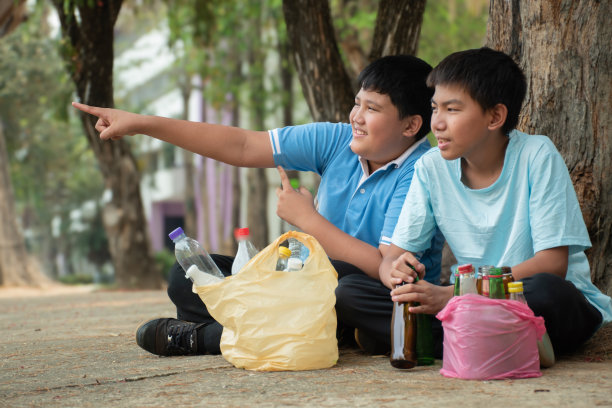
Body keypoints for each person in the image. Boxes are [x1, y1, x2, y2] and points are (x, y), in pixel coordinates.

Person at [73, 55, 445, 357]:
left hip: (362, 295)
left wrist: (308, 221)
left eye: (372, 109)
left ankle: (209, 338)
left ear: (411, 125)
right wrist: (142, 123)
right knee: (190, 276)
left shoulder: (420, 171)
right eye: (356, 103)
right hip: (305, 282)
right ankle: (296, 331)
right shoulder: (338, 141)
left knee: (342, 292)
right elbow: (243, 147)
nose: (356, 117)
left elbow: (385, 267)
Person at [379, 47, 612, 362]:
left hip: (533, 299)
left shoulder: (536, 155)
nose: (437, 123)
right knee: (354, 293)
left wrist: (455, 294)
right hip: (468, 307)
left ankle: (456, 340)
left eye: (452, 109)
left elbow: (552, 265)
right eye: (435, 108)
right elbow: (392, 256)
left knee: (547, 291)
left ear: (495, 116)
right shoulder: (431, 167)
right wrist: (397, 275)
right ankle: (492, 341)